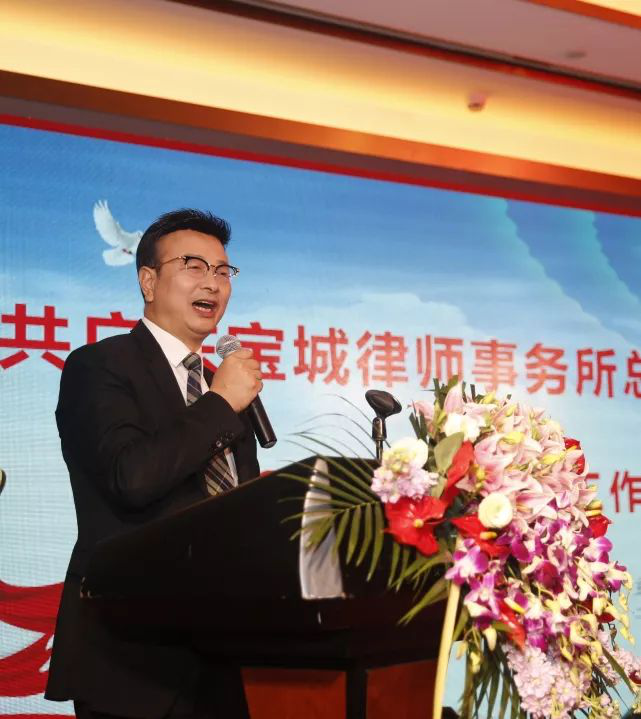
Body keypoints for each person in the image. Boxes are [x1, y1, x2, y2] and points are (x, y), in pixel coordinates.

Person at [45, 209, 262, 718]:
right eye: (193, 266)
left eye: (223, 270)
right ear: (147, 281)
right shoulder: (100, 365)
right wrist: (219, 403)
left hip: (226, 659)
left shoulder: (222, 387)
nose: (212, 282)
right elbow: (132, 477)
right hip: (132, 660)